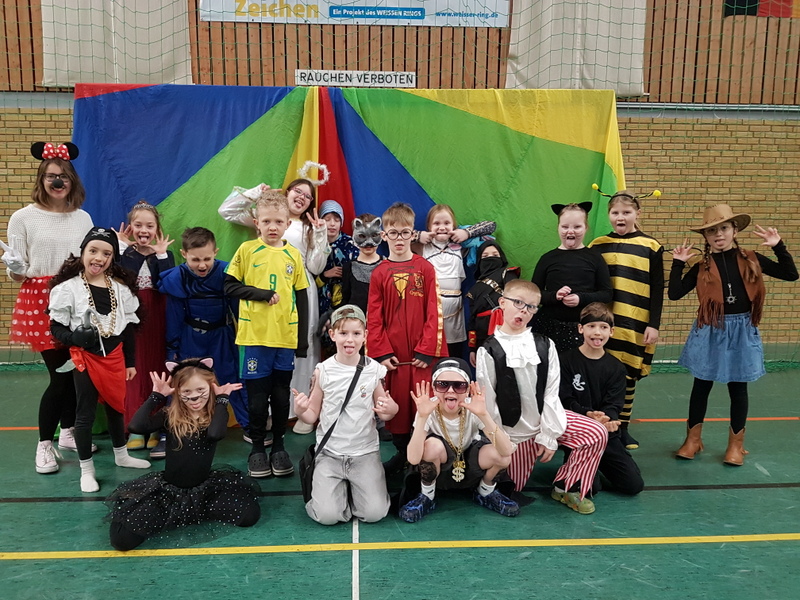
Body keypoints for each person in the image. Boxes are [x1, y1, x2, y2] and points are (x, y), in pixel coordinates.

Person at [669, 204, 798, 466]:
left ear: (734, 230)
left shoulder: (752, 258)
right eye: (712, 231)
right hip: (710, 329)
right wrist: (677, 264)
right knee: (701, 386)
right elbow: (674, 293)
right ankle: (693, 440)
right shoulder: (701, 266)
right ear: (705, 237)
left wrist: (778, 246)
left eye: (724, 228)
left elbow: (791, 274)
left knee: (738, 388)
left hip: (742, 329)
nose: (719, 234)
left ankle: (735, 445)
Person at [476, 279, 608, 514]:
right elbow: (489, 402)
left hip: (545, 422)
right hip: (512, 434)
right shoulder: (488, 350)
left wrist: (549, 434)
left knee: (595, 433)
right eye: (518, 303)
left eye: (531, 307)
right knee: (512, 488)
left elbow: (551, 392)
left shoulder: (545, 344)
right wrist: (502, 441)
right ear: (502, 303)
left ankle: (566, 486)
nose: (524, 311)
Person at [2, 142, 94, 474]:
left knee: (76, 370)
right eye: (51, 176)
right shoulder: (23, 217)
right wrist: (14, 267)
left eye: (63, 176)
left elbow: (89, 260)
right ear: (42, 179)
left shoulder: (83, 217)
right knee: (60, 375)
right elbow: (18, 272)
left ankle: (67, 432)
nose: (57, 182)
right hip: (41, 299)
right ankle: (44, 445)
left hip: (77, 297)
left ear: (72, 180)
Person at [107, 359, 260, 551]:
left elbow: (215, 434)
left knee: (249, 516)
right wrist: (156, 396)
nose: (194, 397)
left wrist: (222, 399)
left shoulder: (216, 415)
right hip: (168, 493)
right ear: (177, 391)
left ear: (211, 386)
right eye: (186, 391)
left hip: (205, 491)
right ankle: (178, 512)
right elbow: (135, 426)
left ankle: (194, 510)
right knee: (122, 540)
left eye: (200, 390)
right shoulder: (169, 415)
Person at [48, 227, 150, 492]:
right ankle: (87, 470)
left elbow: (128, 329)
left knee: (117, 407)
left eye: (106, 253)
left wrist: (130, 361)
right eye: (93, 251)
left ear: (112, 258)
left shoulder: (120, 290)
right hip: (86, 358)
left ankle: (121, 455)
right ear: (83, 252)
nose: (99, 258)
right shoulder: (68, 289)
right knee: (85, 413)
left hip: (114, 357)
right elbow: (56, 327)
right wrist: (73, 337)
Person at [225, 190, 309, 478]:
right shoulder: (247, 251)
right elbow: (229, 286)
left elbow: (302, 297)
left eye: (278, 222)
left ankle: (279, 448)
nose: (272, 227)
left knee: (281, 396)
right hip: (255, 338)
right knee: (258, 398)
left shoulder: (293, 255)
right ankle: (258, 448)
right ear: (256, 223)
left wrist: (301, 341)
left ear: (287, 224)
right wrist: (260, 294)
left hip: (284, 339)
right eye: (266, 221)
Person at [293, 305, 398, 525]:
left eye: (356, 333)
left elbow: (387, 411)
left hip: (365, 453)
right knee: (327, 516)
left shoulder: (373, 369)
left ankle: (352, 493)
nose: (349, 340)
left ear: (365, 335)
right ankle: (338, 496)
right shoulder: (323, 370)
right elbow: (312, 415)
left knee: (375, 513)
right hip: (330, 453)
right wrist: (301, 411)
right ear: (332, 334)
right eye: (343, 333)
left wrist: (390, 409)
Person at [367, 202, 447, 474]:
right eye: (393, 233)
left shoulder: (425, 268)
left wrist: (427, 349)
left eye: (404, 232)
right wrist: (381, 352)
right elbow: (374, 316)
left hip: (421, 358)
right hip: (395, 359)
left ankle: (426, 459)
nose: (399, 239)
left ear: (413, 234)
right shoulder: (379, 272)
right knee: (399, 411)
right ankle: (403, 455)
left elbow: (435, 312)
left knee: (424, 408)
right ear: (384, 235)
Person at [398, 357, 519, 522]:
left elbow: (506, 451)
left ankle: (485, 492)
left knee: (500, 454)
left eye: (459, 385)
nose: (450, 391)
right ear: (433, 388)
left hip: (469, 464)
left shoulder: (473, 407)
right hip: (440, 467)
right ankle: (428, 495)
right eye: (442, 385)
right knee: (431, 446)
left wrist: (483, 414)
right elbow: (413, 459)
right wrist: (422, 417)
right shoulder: (428, 408)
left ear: (468, 389)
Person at [590, 186, 665, 450]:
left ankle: (622, 427)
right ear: (609, 215)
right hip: (604, 322)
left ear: (637, 213)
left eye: (626, 212)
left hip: (635, 322)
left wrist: (653, 324)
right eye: (615, 213)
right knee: (602, 374)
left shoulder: (651, 246)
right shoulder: (598, 245)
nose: (620, 217)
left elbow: (657, 288)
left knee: (628, 375)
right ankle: (600, 427)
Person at [157, 227, 249, 440]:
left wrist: (245, 339)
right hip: (191, 337)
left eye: (207, 259)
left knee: (232, 379)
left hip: (222, 336)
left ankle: (249, 425)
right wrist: (172, 348)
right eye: (195, 259)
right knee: (182, 382)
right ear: (184, 254)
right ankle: (173, 429)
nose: (202, 265)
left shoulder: (227, 272)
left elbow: (239, 310)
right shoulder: (178, 277)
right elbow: (174, 316)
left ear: (216, 252)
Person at [559, 303, 644, 495]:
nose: (597, 332)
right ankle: (576, 466)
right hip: (579, 433)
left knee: (633, 486)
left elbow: (614, 404)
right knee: (590, 489)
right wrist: (587, 415)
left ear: (611, 332)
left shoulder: (616, 368)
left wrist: (608, 419)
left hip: (606, 433)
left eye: (603, 327)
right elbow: (564, 399)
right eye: (591, 326)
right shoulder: (565, 361)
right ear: (581, 328)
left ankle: (600, 463)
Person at [118, 200, 175, 457]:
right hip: (132, 316)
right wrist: (122, 248)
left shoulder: (164, 254)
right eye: (138, 225)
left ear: (157, 229)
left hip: (158, 316)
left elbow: (169, 284)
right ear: (131, 227)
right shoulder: (125, 254)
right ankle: (134, 425)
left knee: (156, 367)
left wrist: (161, 255)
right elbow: (119, 278)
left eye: (149, 226)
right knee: (134, 369)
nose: (144, 230)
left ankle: (154, 424)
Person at [413, 204, 496, 359]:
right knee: (430, 353)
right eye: (436, 223)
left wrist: (466, 232)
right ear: (429, 227)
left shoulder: (460, 246)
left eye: (447, 223)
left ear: (453, 226)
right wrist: (418, 236)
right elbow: (392, 236)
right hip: (430, 308)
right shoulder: (422, 247)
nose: (442, 227)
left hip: (455, 310)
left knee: (453, 354)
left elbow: (491, 226)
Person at [531, 203, 612, 353]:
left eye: (577, 227)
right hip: (549, 326)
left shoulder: (595, 258)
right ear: (558, 228)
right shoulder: (547, 259)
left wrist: (581, 298)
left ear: (586, 228)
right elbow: (533, 294)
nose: (570, 231)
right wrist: (554, 296)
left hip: (584, 328)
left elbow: (606, 294)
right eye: (565, 227)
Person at [465, 240, 519, 368]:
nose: (490, 258)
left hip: (506, 331)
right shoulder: (474, 289)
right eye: (485, 256)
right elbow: (472, 321)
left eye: (495, 255)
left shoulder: (508, 274)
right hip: (482, 337)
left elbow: (517, 302)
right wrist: (472, 348)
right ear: (479, 260)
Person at [316, 200, 359, 358]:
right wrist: (325, 275)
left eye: (336, 219)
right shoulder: (314, 244)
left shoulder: (350, 246)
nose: (332, 224)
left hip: (344, 304)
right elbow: (307, 279)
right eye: (327, 219)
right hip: (320, 303)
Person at [340, 214, 384, 314]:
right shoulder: (348, 267)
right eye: (362, 236)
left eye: (374, 235)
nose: (369, 242)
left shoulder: (387, 265)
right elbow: (346, 299)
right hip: (356, 320)